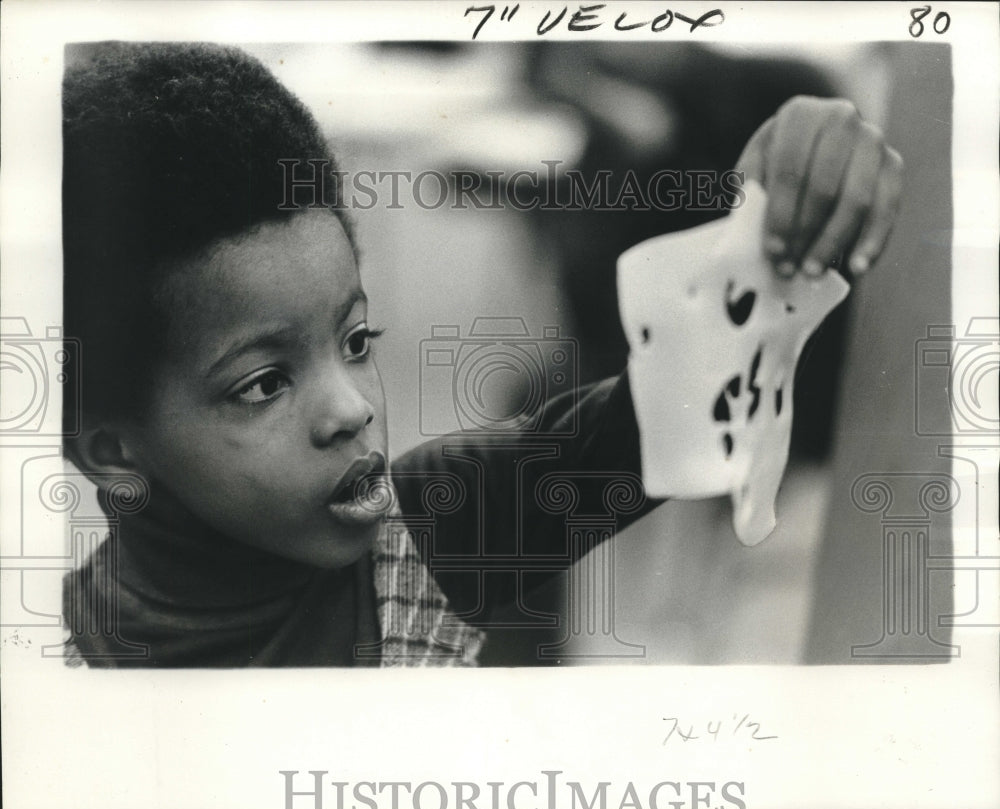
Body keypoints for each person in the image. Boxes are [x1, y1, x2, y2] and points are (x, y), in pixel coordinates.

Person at [60, 42, 902, 667]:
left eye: (356, 342)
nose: (352, 408)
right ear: (113, 450)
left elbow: (682, 398)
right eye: (265, 383)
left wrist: (802, 172)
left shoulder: (427, 538)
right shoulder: (60, 668)